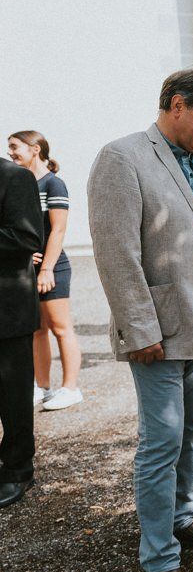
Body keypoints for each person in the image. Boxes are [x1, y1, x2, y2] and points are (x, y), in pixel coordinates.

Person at [88, 68, 193, 572]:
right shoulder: (121, 157)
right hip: (156, 332)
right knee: (162, 442)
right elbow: (116, 254)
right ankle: (158, 561)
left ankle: (180, 521)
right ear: (176, 104)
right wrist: (139, 330)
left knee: (190, 433)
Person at [7, 131, 83, 411]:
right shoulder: (22, 184)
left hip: (54, 267)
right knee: (38, 330)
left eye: (15, 147)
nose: (10, 153)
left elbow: (58, 230)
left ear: (35, 149)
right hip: (30, 268)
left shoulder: (54, 184)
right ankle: (43, 387)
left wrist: (47, 268)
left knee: (61, 329)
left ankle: (71, 388)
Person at [0, 157, 44, 508]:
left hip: (7, 310)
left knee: (12, 397)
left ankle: (18, 470)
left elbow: (27, 236)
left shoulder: (14, 177)